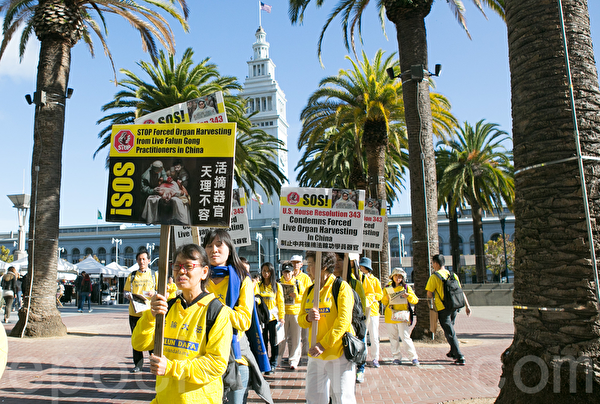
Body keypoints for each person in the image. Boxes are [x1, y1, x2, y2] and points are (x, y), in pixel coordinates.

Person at [132, 244, 232, 404]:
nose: (181, 271)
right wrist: (151, 316)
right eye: (177, 266)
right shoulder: (167, 306)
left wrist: (171, 368)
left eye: (188, 266)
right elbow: (138, 343)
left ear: (204, 272)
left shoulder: (218, 312)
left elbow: (216, 364)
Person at [203, 229, 273, 404]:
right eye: (209, 245)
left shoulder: (242, 279)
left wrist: (213, 308)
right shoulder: (198, 278)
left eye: (219, 245)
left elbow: (243, 321)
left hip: (235, 358)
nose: (214, 250)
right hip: (203, 358)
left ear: (229, 249)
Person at [298, 251, 356, 404]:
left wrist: (324, 344)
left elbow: (343, 321)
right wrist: (307, 318)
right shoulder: (310, 290)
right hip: (315, 356)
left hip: (338, 353)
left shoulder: (341, 287)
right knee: (313, 397)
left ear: (323, 266)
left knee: (342, 398)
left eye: (310, 265)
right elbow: (301, 320)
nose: (308, 269)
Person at [426, 254, 471, 365]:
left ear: (436, 263)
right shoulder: (453, 275)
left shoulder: (434, 277)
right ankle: (452, 351)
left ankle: (460, 356)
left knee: (450, 332)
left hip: (443, 308)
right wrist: (467, 305)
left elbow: (429, 294)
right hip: (454, 307)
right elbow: (460, 291)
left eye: (433, 263)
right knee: (450, 329)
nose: (433, 265)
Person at [334, 253, 368, 383]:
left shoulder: (355, 284)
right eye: (335, 260)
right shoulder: (327, 283)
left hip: (352, 328)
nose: (337, 263)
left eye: (340, 260)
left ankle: (360, 369)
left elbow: (362, 308)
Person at [124, 249, 156, 373]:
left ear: (148, 260)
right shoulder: (132, 275)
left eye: (144, 259)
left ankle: (153, 362)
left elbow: (162, 291)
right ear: (137, 261)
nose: (141, 261)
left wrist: (154, 293)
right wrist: (129, 295)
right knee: (136, 338)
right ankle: (138, 365)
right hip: (134, 312)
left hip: (150, 313)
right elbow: (126, 291)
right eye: (139, 259)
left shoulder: (154, 275)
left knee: (152, 339)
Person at [382, 267, 419, 366]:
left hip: (402, 316)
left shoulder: (406, 288)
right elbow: (383, 301)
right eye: (396, 276)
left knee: (405, 337)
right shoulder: (387, 288)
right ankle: (396, 357)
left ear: (403, 277)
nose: (398, 278)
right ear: (392, 277)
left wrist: (409, 296)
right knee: (393, 338)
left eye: (400, 276)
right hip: (390, 316)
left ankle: (413, 357)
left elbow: (415, 300)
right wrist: (386, 298)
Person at [255, 262, 284, 373]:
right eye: (264, 271)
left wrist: (282, 317)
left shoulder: (277, 286)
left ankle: (273, 363)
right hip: (262, 319)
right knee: (263, 341)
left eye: (268, 271)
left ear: (271, 272)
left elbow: (280, 303)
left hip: (273, 318)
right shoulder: (258, 286)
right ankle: (264, 363)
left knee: (273, 341)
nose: (266, 273)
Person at [359, 257, 382, 368]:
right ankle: (362, 357)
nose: (361, 269)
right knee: (362, 336)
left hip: (372, 312)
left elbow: (380, 294)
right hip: (362, 311)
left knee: (374, 336)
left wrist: (373, 298)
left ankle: (375, 358)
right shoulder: (359, 279)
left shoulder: (374, 280)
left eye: (362, 267)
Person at [279, 261, 302, 369]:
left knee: (295, 337)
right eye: (285, 272)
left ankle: (293, 360)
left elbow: (304, 297)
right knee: (281, 338)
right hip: (282, 313)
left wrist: (296, 296)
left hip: (295, 312)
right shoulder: (278, 283)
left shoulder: (297, 283)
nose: (287, 275)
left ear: (293, 272)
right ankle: (278, 358)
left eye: (288, 272)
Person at [290, 254, 312, 360]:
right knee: (294, 336)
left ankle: (305, 355)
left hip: (302, 309)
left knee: (305, 335)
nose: (295, 265)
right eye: (293, 263)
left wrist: (297, 297)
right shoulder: (286, 276)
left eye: (297, 262)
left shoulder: (305, 278)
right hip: (290, 310)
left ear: (301, 264)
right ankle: (294, 357)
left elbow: (308, 294)